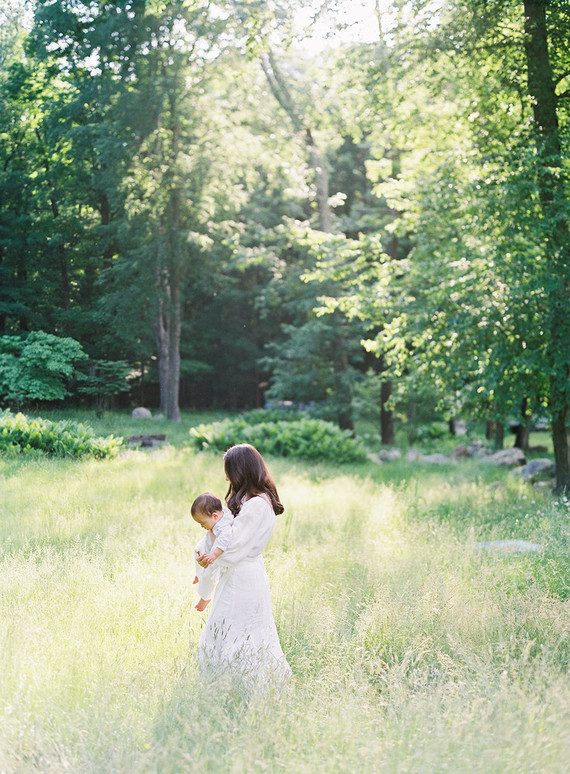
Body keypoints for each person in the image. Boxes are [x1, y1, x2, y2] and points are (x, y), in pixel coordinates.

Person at [196, 443, 291, 693]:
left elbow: (233, 547)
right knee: (234, 630)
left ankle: (238, 688)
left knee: (233, 631)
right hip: (241, 574)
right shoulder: (250, 501)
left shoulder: (257, 505)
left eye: (229, 472)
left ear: (241, 471)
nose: (227, 478)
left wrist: (211, 556)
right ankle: (228, 688)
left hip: (243, 577)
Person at [191, 492, 234, 612]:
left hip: (215, 550)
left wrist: (213, 555)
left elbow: (224, 540)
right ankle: (198, 574)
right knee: (197, 550)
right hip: (209, 541)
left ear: (215, 516)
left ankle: (205, 598)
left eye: (203, 523)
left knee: (208, 575)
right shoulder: (220, 514)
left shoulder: (222, 527)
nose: (201, 526)